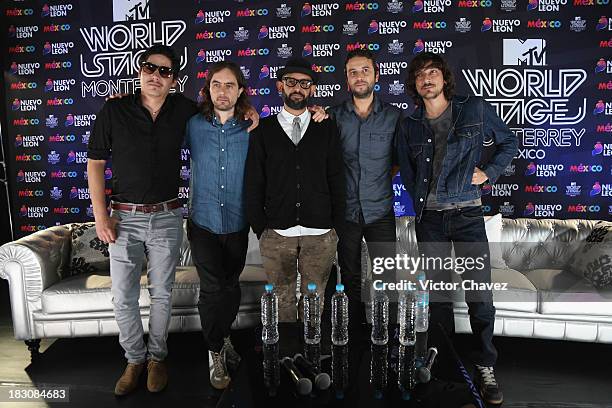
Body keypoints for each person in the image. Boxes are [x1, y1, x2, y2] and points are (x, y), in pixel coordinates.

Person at [396, 52, 518, 405]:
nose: (426, 79)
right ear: (415, 85)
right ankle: (441, 363)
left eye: (432, 72)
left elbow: (508, 142)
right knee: (437, 296)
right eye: (419, 76)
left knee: (479, 295)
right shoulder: (410, 123)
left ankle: (485, 365)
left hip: (466, 214)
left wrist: (488, 173)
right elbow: (405, 169)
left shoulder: (473, 109)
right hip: (429, 219)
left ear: (444, 79)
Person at [88, 45, 198, 395]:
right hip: (123, 218)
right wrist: (101, 216)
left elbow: (225, 114)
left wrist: (251, 115)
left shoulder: (185, 110)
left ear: (174, 80)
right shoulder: (115, 109)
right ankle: (134, 359)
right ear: (139, 71)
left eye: (164, 71)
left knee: (163, 294)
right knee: (123, 296)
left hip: (167, 216)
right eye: (150, 68)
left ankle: (156, 359)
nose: (156, 76)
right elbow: (95, 163)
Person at [245, 57, 345, 323]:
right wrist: (261, 228)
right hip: (277, 232)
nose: (297, 88)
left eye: (304, 83)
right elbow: (254, 181)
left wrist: (335, 224)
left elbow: (336, 176)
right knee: (282, 301)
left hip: (320, 232)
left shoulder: (326, 127)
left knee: (315, 301)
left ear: (312, 89)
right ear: (280, 86)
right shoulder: (262, 130)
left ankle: (310, 360)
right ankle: (286, 359)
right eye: (291, 82)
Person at [324, 49, 402, 337]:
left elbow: (398, 161)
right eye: (353, 72)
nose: (359, 76)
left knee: (386, 276)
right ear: (346, 79)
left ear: (376, 76)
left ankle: (387, 334)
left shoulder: (394, 117)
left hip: (380, 210)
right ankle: (355, 335)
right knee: (351, 276)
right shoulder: (333, 117)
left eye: (365, 70)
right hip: (346, 213)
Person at [184, 61, 252, 390]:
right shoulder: (192, 125)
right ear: (208, 89)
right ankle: (215, 353)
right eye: (215, 85)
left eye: (229, 85)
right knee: (212, 288)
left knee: (230, 286)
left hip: (238, 222)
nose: (221, 91)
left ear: (240, 91)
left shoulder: (252, 127)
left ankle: (224, 339)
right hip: (203, 222)